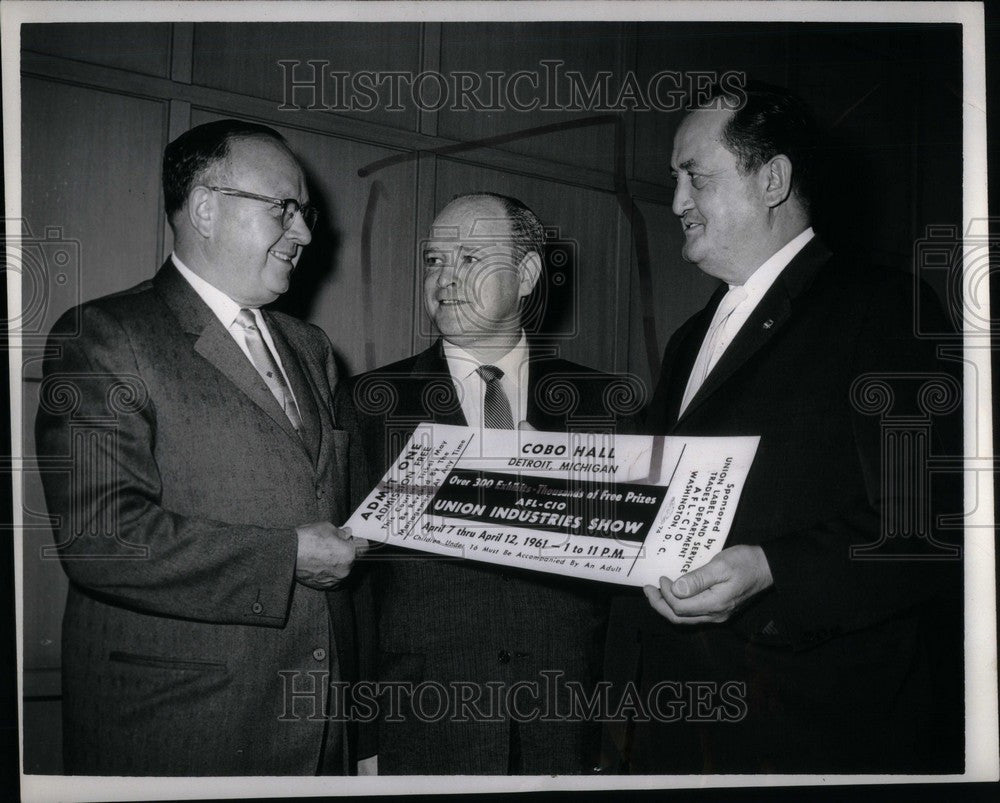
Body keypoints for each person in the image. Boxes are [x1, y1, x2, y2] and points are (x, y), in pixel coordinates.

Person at [604, 84, 963, 773]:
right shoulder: (688, 339)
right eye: (675, 179)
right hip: (676, 721)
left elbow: (930, 525)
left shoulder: (882, 307)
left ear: (772, 180)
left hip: (816, 726)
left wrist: (771, 567)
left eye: (695, 177)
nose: (676, 201)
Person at [35, 119, 367, 775]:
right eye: (285, 209)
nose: (304, 233)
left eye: (305, 213)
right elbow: (102, 537)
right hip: (184, 729)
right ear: (207, 206)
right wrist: (287, 557)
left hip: (318, 721)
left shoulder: (312, 348)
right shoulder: (103, 335)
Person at [336, 193, 636, 774]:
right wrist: (364, 735)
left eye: (469, 257)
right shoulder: (369, 404)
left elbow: (628, 579)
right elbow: (354, 591)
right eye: (432, 261)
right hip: (422, 726)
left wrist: (617, 729)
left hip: (568, 726)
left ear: (525, 275)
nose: (444, 279)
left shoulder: (606, 406)